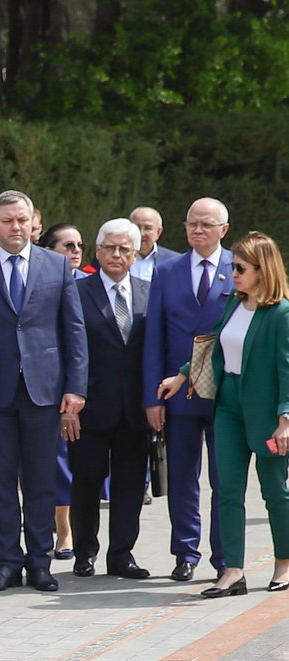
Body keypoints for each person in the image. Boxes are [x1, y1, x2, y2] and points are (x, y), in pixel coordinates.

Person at [0, 190, 88, 594]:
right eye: (8, 221)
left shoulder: (55, 265)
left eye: (23, 220)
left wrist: (76, 387)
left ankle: (40, 562)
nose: (16, 228)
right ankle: (7, 562)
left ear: (33, 222)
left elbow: (73, 329)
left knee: (40, 480)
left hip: (44, 388)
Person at [158, 232, 289, 597]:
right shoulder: (234, 302)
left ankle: (284, 563)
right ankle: (233, 570)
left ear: (263, 271)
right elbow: (215, 342)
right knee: (227, 490)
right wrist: (182, 374)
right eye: (233, 267)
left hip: (266, 412)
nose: (233, 274)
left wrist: (286, 419)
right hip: (228, 405)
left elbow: (287, 369)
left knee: (274, 492)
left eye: (241, 268)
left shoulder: (281, 313)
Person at [144, 197, 234, 582]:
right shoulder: (168, 271)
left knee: (224, 478)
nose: (198, 230)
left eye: (207, 224)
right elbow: (154, 338)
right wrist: (152, 396)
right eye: (192, 224)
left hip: (227, 392)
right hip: (176, 391)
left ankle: (226, 555)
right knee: (181, 475)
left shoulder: (240, 268)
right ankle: (185, 551)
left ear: (223, 230)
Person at [70, 218, 153, 579]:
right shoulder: (75, 291)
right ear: (97, 250)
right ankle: (84, 552)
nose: (116, 254)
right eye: (109, 247)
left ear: (135, 255)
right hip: (89, 407)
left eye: (124, 249)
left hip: (135, 409)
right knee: (86, 481)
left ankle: (122, 554)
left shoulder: (150, 292)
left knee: (131, 484)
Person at [41, 222, 91, 557]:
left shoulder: (90, 285)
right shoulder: (42, 282)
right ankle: (63, 531)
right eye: (67, 245)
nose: (75, 252)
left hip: (88, 385)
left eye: (79, 245)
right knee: (56, 460)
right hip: (50, 385)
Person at [130, 206, 181, 282]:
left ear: (158, 232)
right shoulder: (118, 259)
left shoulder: (176, 261)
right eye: (137, 227)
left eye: (148, 228)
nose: (141, 233)